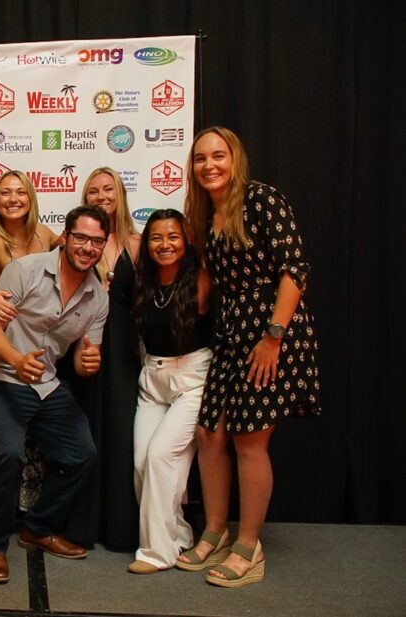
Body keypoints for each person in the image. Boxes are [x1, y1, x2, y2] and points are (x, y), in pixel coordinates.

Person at [177, 126, 321, 587]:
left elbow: (295, 268)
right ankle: (215, 531)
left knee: (249, 440)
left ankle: (249, 545)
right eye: (200, 158)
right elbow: (206, 281)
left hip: (272, 328)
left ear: (234, 159)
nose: (209, 165)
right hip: (233, 328)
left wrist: (274, 336)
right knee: (209, 432)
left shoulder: (260, 200)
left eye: (218, 156)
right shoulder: (204, 214)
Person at [0, 205, 109, 584]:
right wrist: (16, 360)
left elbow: (82, 362)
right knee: (8, 453)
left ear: (103, 246)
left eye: (96, 241)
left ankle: (38, 527)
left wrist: (87, 362)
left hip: (44, 381)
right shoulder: (25, 270)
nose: (87, 247)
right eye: (80, 237)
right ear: (65, 237)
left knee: (82, 453)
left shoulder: (98, 297)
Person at [0, 170, 60, 519]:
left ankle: (27, 513)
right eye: (5, 193)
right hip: (0, 350)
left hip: (37, 349)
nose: (13, 199)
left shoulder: (45, 235)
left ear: (31, 198)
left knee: (31, 440)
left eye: (20, 192)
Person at [125, 209, 212, 574]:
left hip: (192, 378)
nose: (165, 244)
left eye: (173, 236)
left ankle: (156, 553)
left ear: (186, 240)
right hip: (153, 378)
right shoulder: (143, 280)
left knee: (162, 456)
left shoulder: (202, 279)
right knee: (143, 462)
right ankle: (177, 534)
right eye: (157, 238)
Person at [63, 167, 141, 550]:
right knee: (84, 434)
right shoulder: (78, 244)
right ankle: (80, 525)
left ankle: (120, 527)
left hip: (124, 353)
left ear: (120, 193)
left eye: (108, 188)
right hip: (82, 348)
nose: (101, 195)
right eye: (93, 190)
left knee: (121, 433)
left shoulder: (138, 244)